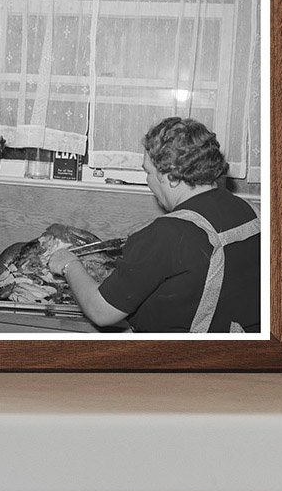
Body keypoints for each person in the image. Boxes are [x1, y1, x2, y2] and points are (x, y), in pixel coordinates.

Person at [48, 117, 260, 333]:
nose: (148, 180)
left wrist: (69, 264)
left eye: (148, 172)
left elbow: (101, 311)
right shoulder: (249, 210)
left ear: (172, 177)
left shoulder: (168, 234)